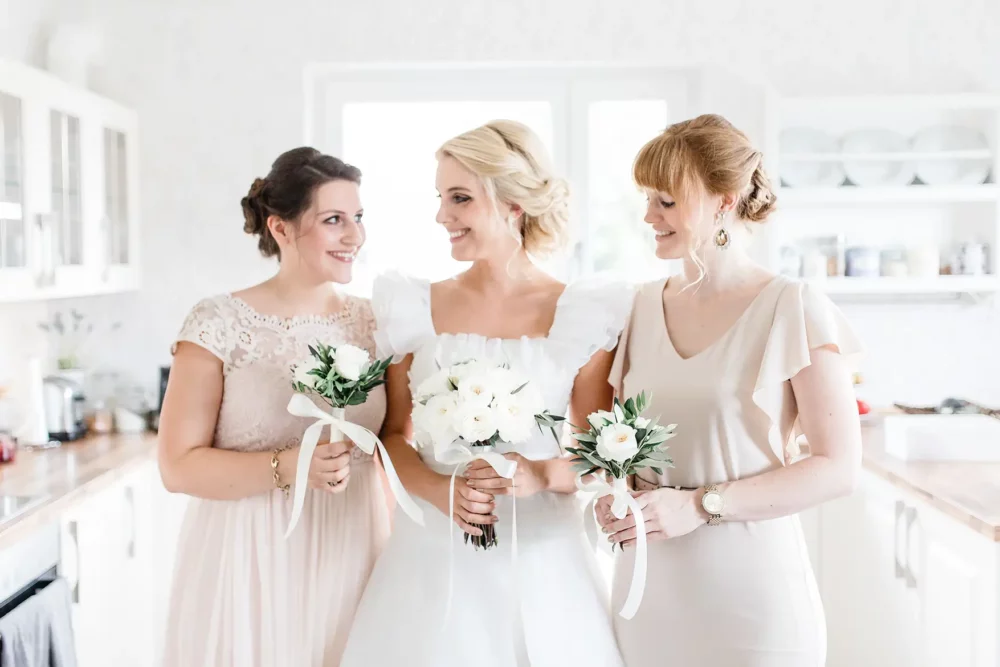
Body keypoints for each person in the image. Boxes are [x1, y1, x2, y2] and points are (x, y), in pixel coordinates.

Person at [340, 120, 629, 667]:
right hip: (429, 558)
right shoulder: (411, 305)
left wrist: (541, 474)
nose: (441, 216)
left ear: (514, 205)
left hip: (544, 561)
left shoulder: (583, 313)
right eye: (441, 197)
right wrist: (438, 489)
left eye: (460, 198)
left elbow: (603, 458)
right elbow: (393, 436)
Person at [599, 114, 863, 666]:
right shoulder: (637, 308)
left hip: (752, 601)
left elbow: (839, 467)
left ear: (723, 200)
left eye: (666, 201)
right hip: (647, 596)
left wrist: (700, 505)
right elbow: (626, 448)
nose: (648, 215)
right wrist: (617, 497)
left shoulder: (791, 305)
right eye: (648, 199)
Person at [157, 147, 390, 666]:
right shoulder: (217, 321)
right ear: (280, 228)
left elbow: (396, 447)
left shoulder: (378, 324)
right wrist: (291, 467)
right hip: (249, 560)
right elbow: (177, 467)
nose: (354, 236)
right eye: (334, 220)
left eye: (358, 218)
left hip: (353, 553)